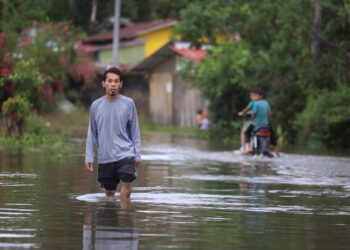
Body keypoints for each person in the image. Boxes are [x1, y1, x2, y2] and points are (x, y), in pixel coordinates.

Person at [85, 67, 141, 198]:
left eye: (116, 81)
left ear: (120, 84)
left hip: (125, 153)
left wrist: (137, 153)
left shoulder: (128, 104)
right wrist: (89, 156)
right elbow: (92, 132)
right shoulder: (96, 106)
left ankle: (124, 216)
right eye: (110, 81)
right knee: (109, 192)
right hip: (105, 156)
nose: (113, 84)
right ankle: (112, 215)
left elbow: (135, 130)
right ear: (104, 83)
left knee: (127, 181)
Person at [239, 89, 272, 155]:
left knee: (247, 132)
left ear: (260, 96)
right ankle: (273, 150)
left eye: (254, 96)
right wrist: (268, 121)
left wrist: (251, 120)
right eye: (251, 96)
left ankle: (248, 148)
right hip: (266, 125)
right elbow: (270, 114)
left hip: (256, 124)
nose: (252, 97)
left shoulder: (255, 104)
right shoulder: (266, 103)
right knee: (271, 135)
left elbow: (253, 114)